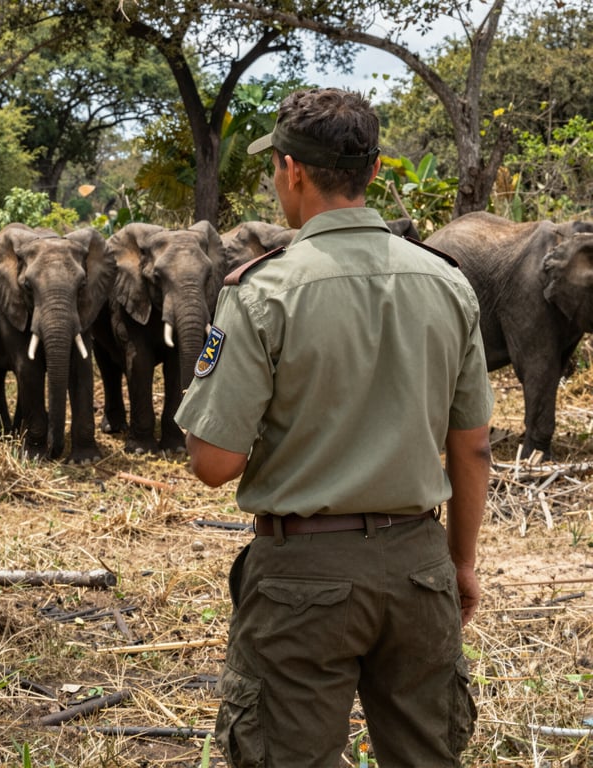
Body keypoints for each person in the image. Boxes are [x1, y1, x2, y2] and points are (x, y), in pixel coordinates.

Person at [174, 87, 493, 768]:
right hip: (419, 569)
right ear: (375, 172)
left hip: (301, 578)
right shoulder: (446, 282)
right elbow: (474, 443)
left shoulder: (262, 291)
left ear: (290, 170)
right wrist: (459, 564)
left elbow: (214, 462)